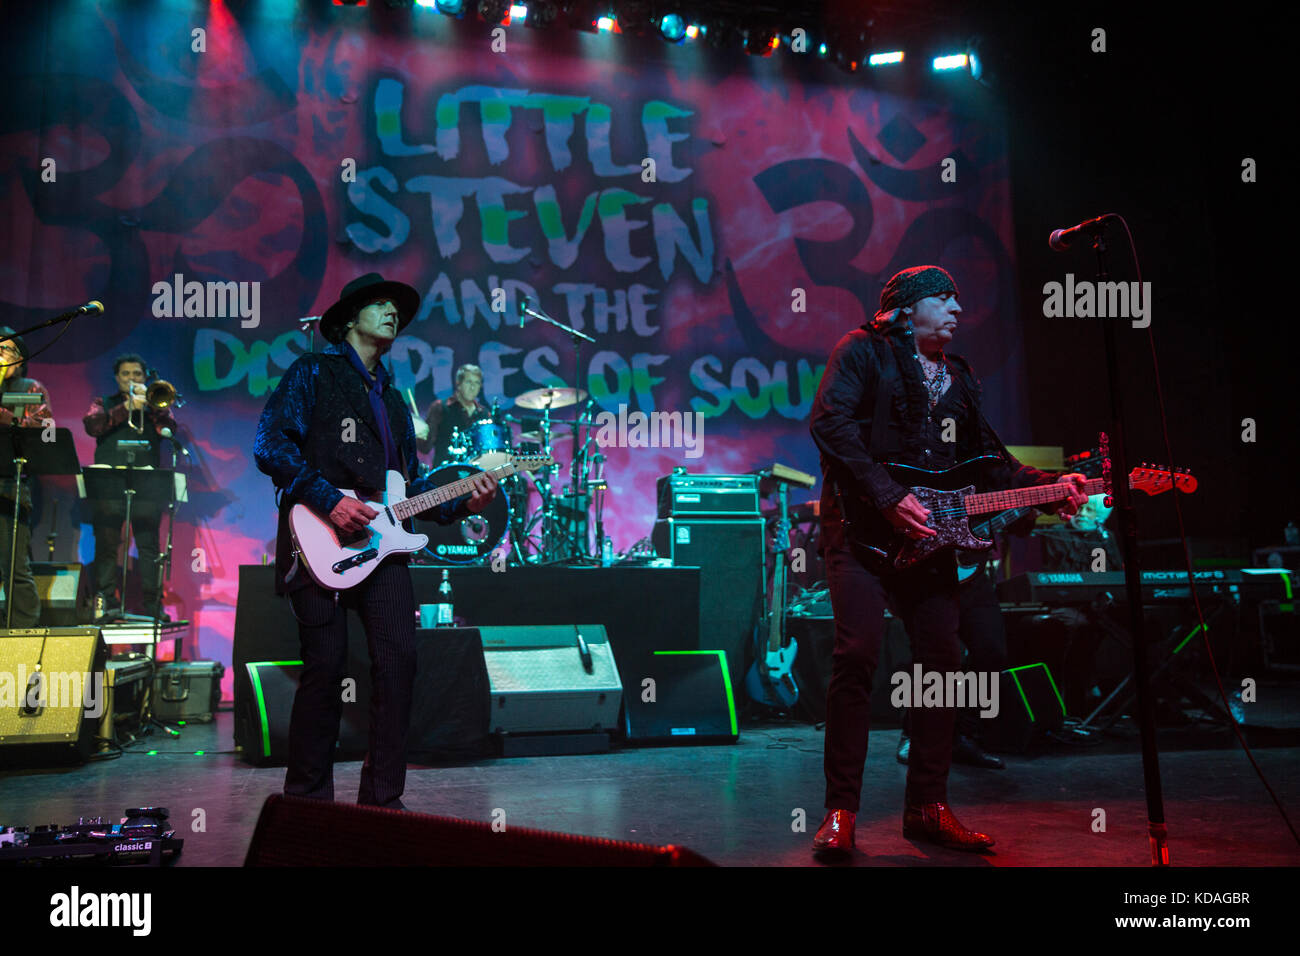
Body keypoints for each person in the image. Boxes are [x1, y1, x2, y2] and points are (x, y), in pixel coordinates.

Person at [808, 265, 1088, 854]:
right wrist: (887, 497)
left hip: (934, 545)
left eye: (959, 299)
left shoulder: (958, 377)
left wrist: (1051, 486)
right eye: (944, 298)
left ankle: (928, 807)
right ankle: (840, 812)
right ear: (906, 309)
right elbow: (830, 424)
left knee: (942, 666)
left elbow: (991, 461)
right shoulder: (860, 351)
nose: (958, 309)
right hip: (861, 532)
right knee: (856, 654)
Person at [254, 272, 498, 810]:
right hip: (318, 539)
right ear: (348, 320)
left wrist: (462, 500)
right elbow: (270, 445)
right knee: (325, 667)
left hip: (383, 549)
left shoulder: (393, 399)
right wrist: (328, 499)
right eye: (379, 304)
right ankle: (307, 804)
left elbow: (407, 485)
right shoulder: (313, 372)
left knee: (400, 662)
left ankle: (382, 801)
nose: (392, 312)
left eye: (397, 307)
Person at [82, 353, 176, 620]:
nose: (132, 379)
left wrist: (154, 407)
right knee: (107, 543)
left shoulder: (154, 405)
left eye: (137, 374)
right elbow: (93, 426)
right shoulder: (104, 402)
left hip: (146, 483)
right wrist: (127, 409)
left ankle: (152, 604)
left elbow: (169, 429)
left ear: (145, 377)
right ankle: (106, 602)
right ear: (117, 378)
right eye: (126, 374)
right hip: (109, 482)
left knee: (148, 546)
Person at [0, 327, 54, 627]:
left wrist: (8, 419)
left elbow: (46, 434)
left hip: (10, 488)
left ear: (19, 361)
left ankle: (23, 636)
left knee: (13, 567)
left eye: (5, 350)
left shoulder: (31, 387)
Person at [417, 364, 488, 465]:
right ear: (458, 383)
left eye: (477, 383)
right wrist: (419, 432)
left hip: (474, 475)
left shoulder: (484, 413)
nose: (473, 387)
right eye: (469, 382)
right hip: (446, 474)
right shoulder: (440, 407)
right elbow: (425, 448)